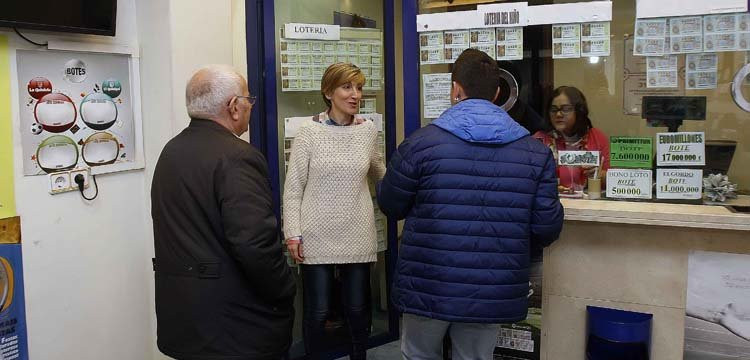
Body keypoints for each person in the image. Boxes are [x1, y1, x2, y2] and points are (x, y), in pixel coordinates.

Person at [377, 48, 564, 360]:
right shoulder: (535, 153)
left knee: (419, 355)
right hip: (493, 286)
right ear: (498, 93)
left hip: (428, 285)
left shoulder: (420, 144)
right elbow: (547, 227)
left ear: (455, 89)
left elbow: (391, 204)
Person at [151, 65, 295, 360]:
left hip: (184, 315)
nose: (250, 107)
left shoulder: (171, 151)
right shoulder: (238, 156)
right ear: (233, 107)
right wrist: (287, 286)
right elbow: (254, 243)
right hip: (235, 324)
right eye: (248, 100)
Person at [283, 62, 386, 360]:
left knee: (357, 309)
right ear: (328, 92)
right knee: (318, 311)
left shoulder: (368, 130)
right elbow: (294, 188)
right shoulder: (309, 132)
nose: (355, 95)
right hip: (316, 234)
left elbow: (380, 172)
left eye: (359, 87)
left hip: (357, 231)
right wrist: (293, 234)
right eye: (347, 87)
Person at [533, 86, 610, 194]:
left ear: (579, 111)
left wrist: (600, 175)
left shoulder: (597, 137)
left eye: (565, 109)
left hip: (589, 205)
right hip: (551, 204)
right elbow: (527, 179)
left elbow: (614, 180)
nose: (558, 114)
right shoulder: (539, 140)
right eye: (554, 110)